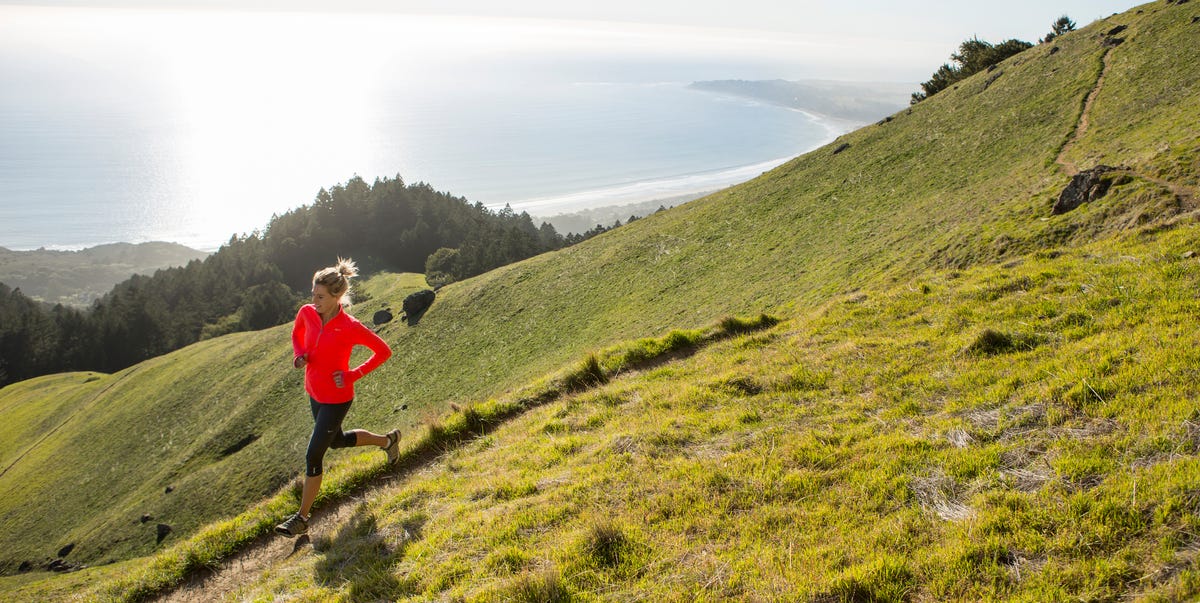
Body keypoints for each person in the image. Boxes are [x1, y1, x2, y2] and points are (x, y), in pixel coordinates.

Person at [275, 258, 400, 537]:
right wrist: (298, 356)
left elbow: (383, 351)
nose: (314, 300)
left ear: (337, 296)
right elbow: (296, 334)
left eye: (320, 296)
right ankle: (389, 441)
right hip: (314, 393)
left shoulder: (350, 326)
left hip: (337, 399)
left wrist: (353, 374)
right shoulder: (307, 313)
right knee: (338, 442)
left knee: (313, 455)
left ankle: (302, 517)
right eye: (313, 295)